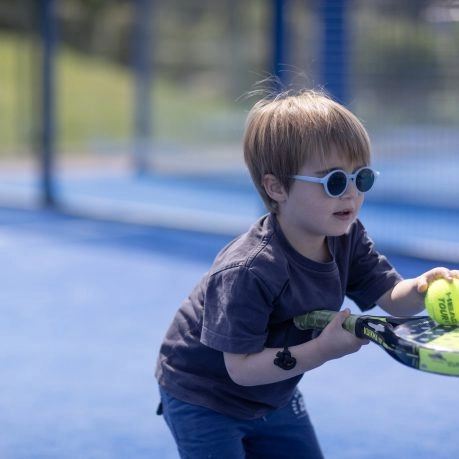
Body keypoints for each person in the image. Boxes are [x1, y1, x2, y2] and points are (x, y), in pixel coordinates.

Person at [155, 89, 458, 459]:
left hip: (274, 390)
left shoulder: (346, 236)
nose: (350, 194)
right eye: (333, 181)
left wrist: (422, 287)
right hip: (205, 396)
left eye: (359, 178)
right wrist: (322, 350)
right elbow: (242, 370)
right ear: (276, 187)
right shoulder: (249, 270)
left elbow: (393, 298)